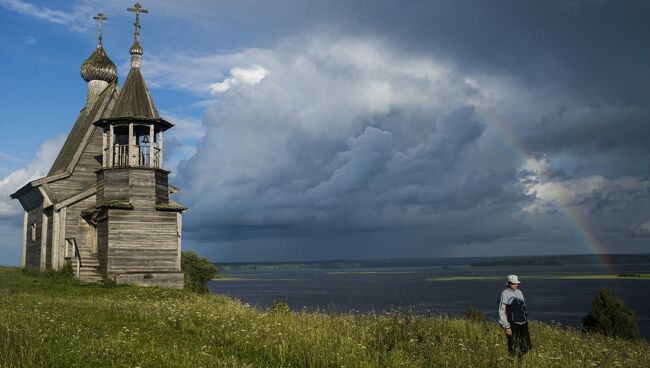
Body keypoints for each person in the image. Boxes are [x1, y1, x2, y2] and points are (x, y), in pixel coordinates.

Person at [498, 274, 532, 357]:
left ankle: (523, 361)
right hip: (512, 324)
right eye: (513, 283)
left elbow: (524, 307)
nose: (516, 285)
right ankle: (514, 362)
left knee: (527, 344)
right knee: (514, 346)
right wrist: (506, 327)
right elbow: (501, 311)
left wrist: (526, 318)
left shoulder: (519, 292)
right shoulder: (504, 294)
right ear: (508, 283)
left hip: (523, 323)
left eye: (516, 283)